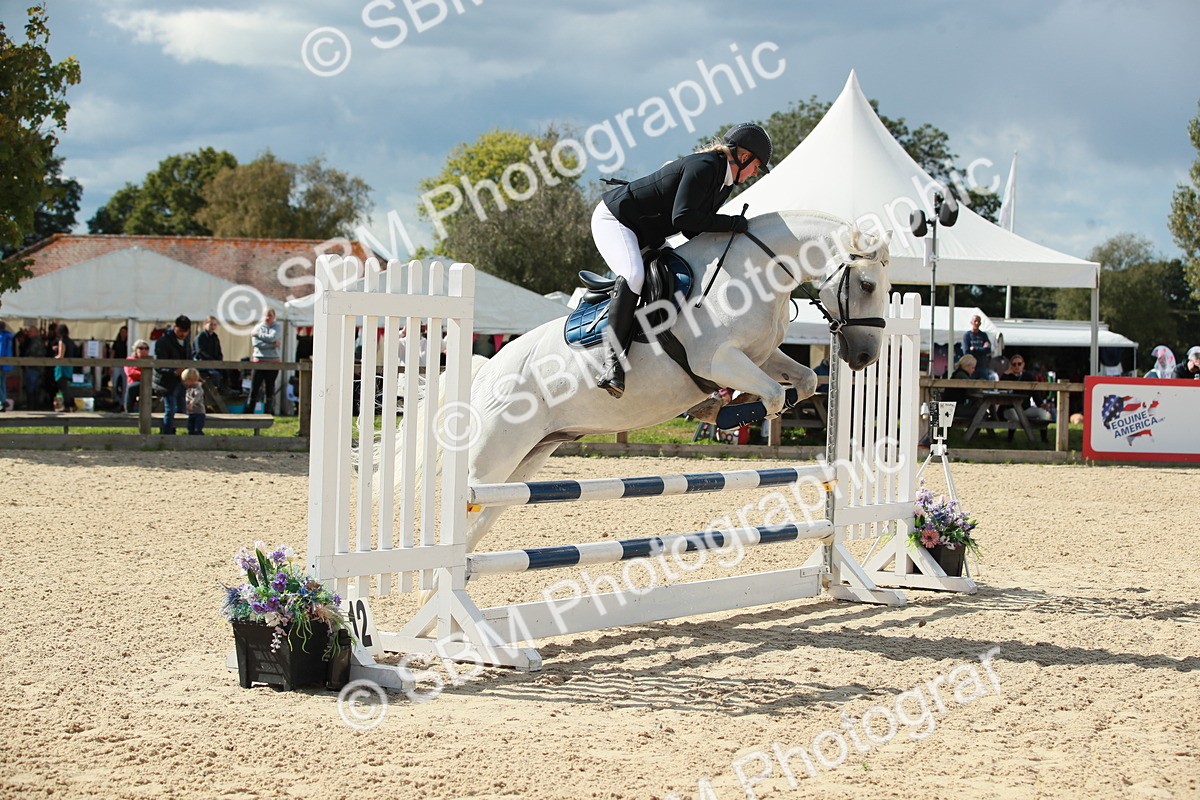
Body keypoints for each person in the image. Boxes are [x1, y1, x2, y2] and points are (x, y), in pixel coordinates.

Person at [591, 122, 772, 397]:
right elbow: (683, 217)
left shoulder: (724, 183)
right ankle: (611, 363)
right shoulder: (705, 167)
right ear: (744, 156)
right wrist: (731, 223)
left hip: (647, 232)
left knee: (678, 274)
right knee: (635, 276)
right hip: (616, 220)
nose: (755, 173)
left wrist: (729, 233)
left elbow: (689, 229)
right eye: (756, 166)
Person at [154, 315, 192, 434]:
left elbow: (189, 358)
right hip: (166, 382)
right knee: (170, 410)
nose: (183, 334)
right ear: (175, 327)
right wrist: (174, 371)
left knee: (182, 410)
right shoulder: (163, 341)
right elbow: (159, 365)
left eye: (185, 331)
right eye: (180, 331)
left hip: (180, 381)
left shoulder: (186, 341)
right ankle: (167, 434)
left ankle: (178, 434)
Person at [245, 308, 282, 414]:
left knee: (270, 388)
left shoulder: (277, 327)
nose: (267, 317)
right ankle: (249, 413)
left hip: (273, 362)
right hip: (259, 361)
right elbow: (256, 344)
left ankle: (268, 413)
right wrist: (271, 345)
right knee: (255, 388)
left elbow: (273, 337)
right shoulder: (257, 327)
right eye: (266, 315)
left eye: (270, 315)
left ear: (274, 317)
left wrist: (258, 335)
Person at [999, 353, 1052, 425]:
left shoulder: (1029, 376)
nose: (1017, 366)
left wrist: (1041, 404)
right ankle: (1010, 436)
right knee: (1015, 417)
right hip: (1010, 408)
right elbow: (1000, 389)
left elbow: (1035, 394)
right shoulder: (1007, 377)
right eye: (1014, 364)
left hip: (1025, 408)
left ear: (1023, 364)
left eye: (1019, 364)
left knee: (1042, 412)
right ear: (1011, 366)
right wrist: (1006, 373)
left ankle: (1044, 436)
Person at [194, 315, 226, 391]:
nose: (213, 326)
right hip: (202, 362)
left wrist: (219, 360)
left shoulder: (215, 337)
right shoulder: (200, 337)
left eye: (215, 325)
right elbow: (200, 351)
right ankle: (217, 389)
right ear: (205, 325)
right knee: (215, 374)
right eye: (211, 324)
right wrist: (211, 360)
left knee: (227, 371)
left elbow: (219, 351)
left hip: (214, 362)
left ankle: (226, 389)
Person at [53, 324, 78, 411]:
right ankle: (71, 404)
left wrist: (54, 355)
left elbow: (61, 355)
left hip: (62, 367)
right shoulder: (71, 341)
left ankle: (67, 405)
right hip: (69, 366)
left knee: (63, 386)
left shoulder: (62, 341)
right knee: (66, 386)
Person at [124, 339, 152, 412]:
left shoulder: (150, 360)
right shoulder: (130, 360)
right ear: (136, 350)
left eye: (146, 348)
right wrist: (144, 374)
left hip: (149, 382)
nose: (144, 350)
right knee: (131, 388)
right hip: (135, 382)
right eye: (141, 348)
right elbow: (130, 373)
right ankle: (128, 412)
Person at [181, 368, 206, 435]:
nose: (184, 382)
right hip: (191, 412)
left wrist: (192, 403)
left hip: (199, 412)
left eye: (186, 381)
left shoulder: (198, 388)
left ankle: (200, 439)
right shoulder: (189, 388)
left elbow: (197, 397)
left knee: (197, 428)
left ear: (192, 380)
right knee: (190, 428)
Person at [0, 321, 13, 412]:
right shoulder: (8, 336)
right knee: (2, 383)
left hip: (1, 363)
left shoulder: (1, 337)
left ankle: (3, 401)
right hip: (6, 364)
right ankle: (2, 404)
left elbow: (0, 350)